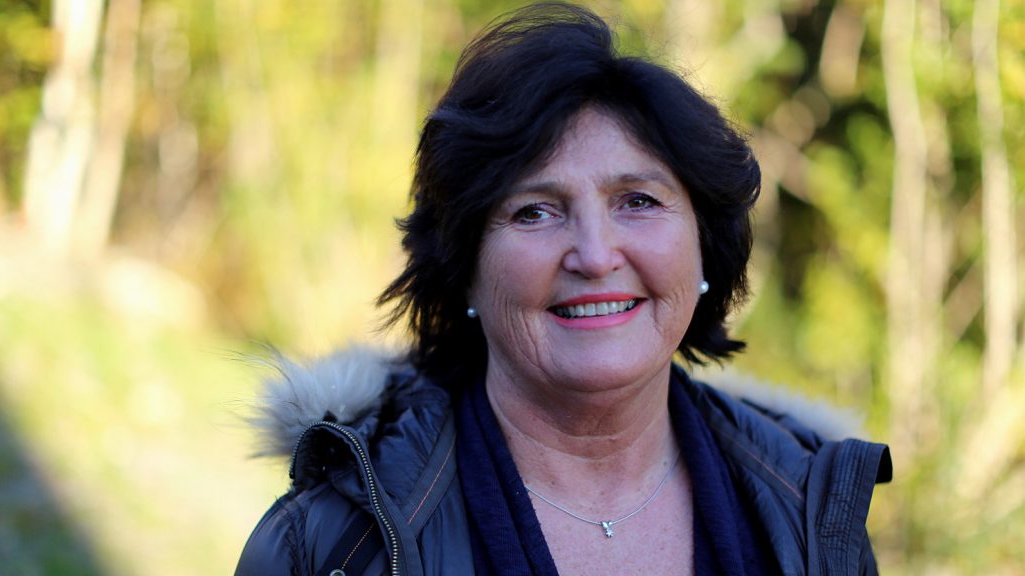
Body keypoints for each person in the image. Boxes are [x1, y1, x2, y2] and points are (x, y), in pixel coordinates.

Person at [235, 3, 892, 575]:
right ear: (464, 265)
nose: (596, 256)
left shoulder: (813, 517)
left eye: (637, 200)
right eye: (534, 212)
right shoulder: (332, 543)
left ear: (705, 246)